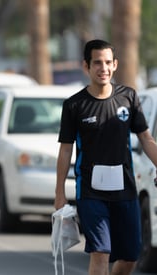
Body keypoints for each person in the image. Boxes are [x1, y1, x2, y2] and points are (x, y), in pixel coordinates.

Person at [55, 39, 157, 275]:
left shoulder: (128, 97)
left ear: (115, 65)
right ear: (86, 66)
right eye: (97, 63)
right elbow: (66, 150)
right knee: (101, 252)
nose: (103, 68)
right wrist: (60, 193)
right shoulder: (74, 105)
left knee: (130, 257)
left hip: (126, 190)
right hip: (90, 191)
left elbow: (146, 139)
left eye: (108, 62)